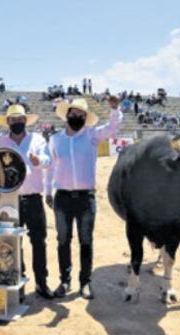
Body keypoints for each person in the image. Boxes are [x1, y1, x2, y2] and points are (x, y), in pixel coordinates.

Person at [47, 96, 122, 299]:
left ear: (85, 117)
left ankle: (85, 282)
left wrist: (115, 109)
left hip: (85, 198)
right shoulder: (55, 140)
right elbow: (51, 167)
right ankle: (64, 281)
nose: (77, 117)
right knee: (63, 240)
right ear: (67, 115)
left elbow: (113, 128)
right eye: (74, 113)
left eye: (81, 115)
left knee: (86, 241)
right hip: (62, 197)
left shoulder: (92, 136)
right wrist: (47, 191)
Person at [0, 105, 55, 299]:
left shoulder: (37, 139)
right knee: (12, 244)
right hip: (10, 201)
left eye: (20, 119)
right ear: (7, 122)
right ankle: (17, 282)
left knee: (39, 242)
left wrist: (39, 161)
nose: (17, 122)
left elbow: (48, 160)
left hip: (33, 198)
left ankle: (41, 282)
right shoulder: (0, 142)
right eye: (13, 120)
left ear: (26, 121)